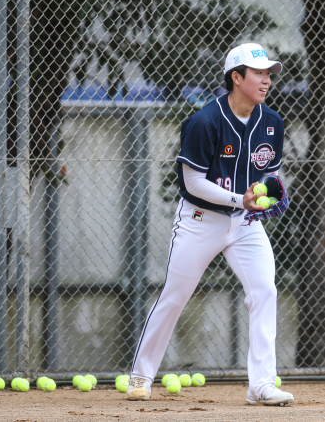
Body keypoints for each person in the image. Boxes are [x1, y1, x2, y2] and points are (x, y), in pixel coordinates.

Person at [126, 43, 294, 406]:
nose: (267, 80)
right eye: (258, 73)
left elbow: (269, 174)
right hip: (200, 221)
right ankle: (140, 375)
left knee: (264, 291)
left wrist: (271, 192)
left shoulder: (272, 122)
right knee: (175, 296)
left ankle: (261, 385)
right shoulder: (206, 121)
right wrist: (239, 199)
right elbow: (192, 183)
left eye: (269, 73)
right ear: (237, 78)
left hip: (246, 223)